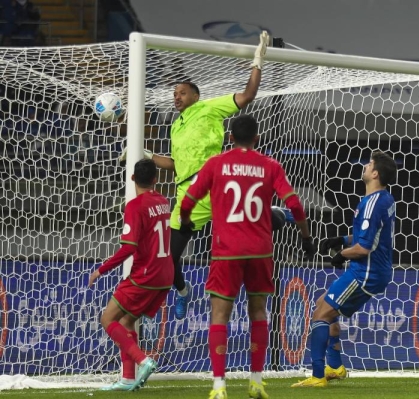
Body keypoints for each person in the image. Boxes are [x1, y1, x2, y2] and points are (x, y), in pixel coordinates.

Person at [119, 31, 271, 320]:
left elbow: (248, 95)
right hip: (188, 194)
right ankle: (183, 291)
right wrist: (148, 155)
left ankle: (276, 215)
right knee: (168, 257)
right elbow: (178, 164)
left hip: (217, 186)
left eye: (182, 93)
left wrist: (258, 60)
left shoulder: (208, 108)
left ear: (196, 96)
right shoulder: (175, 127)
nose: (177, 97)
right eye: (174, 94)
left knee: (250, 232)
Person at [179, 114, 316, 399]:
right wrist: (305, 238)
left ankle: (219, 387)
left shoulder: (215, 164)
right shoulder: (270, 166)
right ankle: (255, 381)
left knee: (220, 315)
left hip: (227, 252)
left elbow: (189, 200)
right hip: (260, 251)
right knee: (258, 313)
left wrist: (187, 221)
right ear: (257, 138)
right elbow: (294, 205)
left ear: (230, 138)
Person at [291, 150, 397, 388]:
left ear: (376, 174)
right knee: (322, 305)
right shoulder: (384, 200)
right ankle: (336, 367)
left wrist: (341, 254)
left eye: (369, 164)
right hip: (372, 270)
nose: (365, 166)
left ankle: (318, 376)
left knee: (321, 315)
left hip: (365, 273)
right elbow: (369, 238)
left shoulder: (372, 205)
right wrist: (341, 239)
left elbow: (364, 248)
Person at [88, 159, 173, 391]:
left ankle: (143, 360)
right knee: (127, 321)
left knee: (108, 319)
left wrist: (100, 270)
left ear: (133, 178)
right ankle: (127, 378)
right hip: (165, 275)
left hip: (145, 275)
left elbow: (128, 248)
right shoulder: (165, 202)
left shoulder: (135, 206)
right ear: (156, 179)